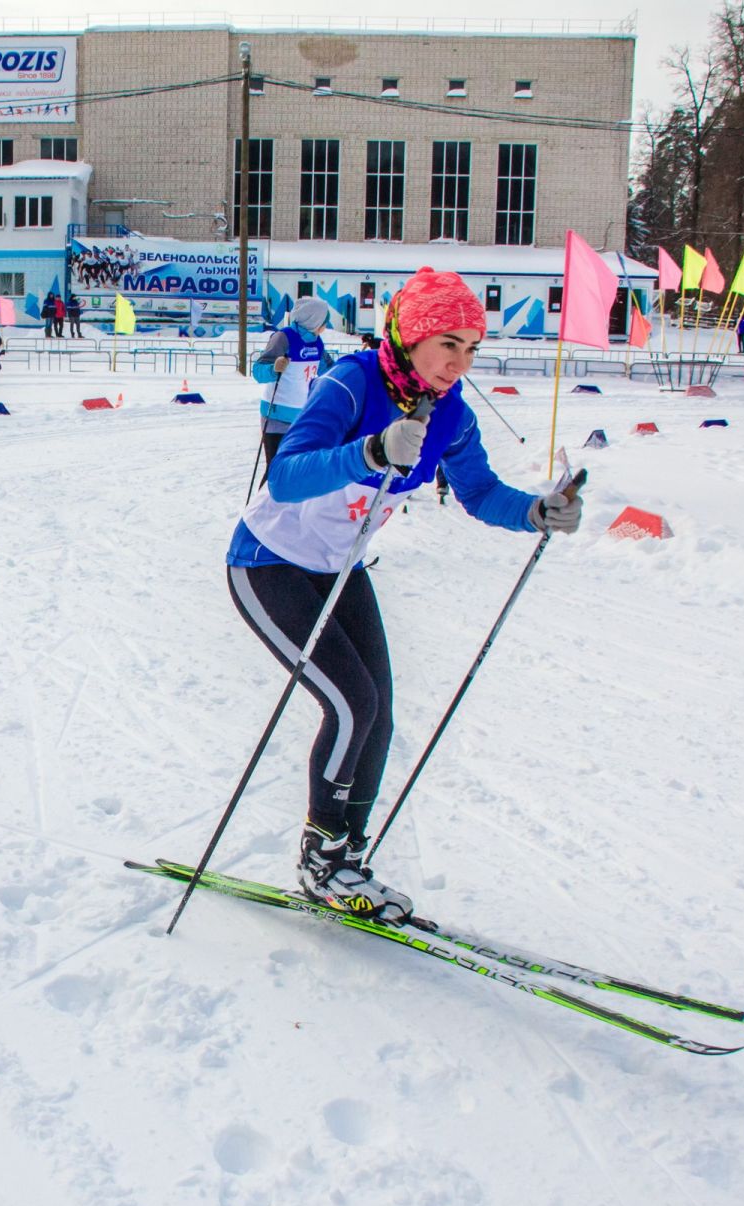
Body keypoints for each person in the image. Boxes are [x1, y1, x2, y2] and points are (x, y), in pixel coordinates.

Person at [227, 267, 582, 923]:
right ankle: (321, 858)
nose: (461, 361)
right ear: (413, 334)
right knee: (352, 702)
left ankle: (348, 858)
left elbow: (479, 493)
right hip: (268, 563)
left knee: (380, 712)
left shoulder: (452, 415)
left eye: (472, 348)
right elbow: (286, 474)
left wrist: (536, 512)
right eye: (449, 342)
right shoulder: (352, 382)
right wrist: (369, 450)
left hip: (338, 568)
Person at [252, 296, 336, 483]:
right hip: (277, 416)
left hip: (303, 416)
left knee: (298, 471)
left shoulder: (317, 342)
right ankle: (260, 511)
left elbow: (330, 370)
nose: (325, 326)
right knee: (276, 471)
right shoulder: (283, 337)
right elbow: (258, 372)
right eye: (324, 321)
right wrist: (274, 367)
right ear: (313, 319)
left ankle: (288, 511)